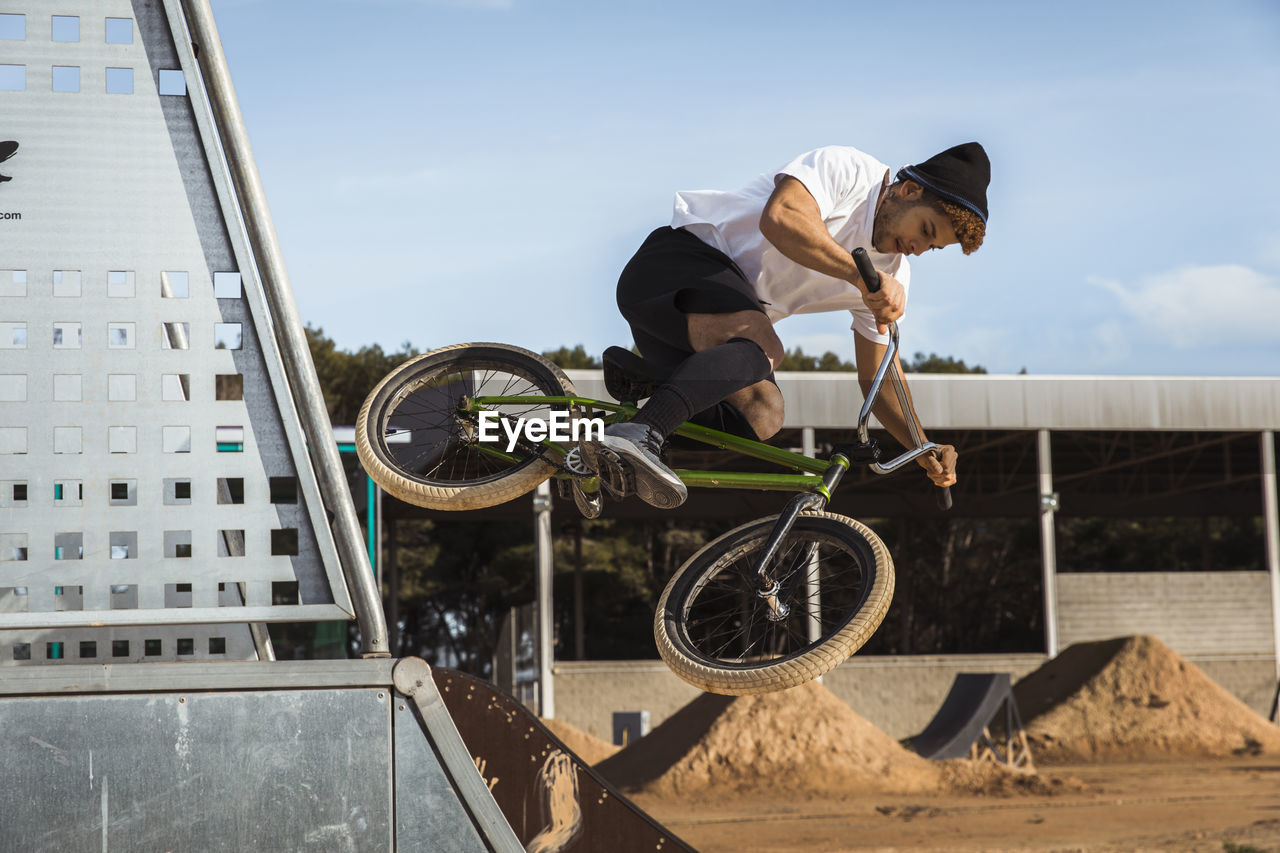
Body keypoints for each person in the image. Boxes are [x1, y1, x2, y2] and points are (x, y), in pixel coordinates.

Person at [592, 142, 990, 508]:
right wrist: (859, 276)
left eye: (932, 248)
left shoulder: (891, 278)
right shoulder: (850, 171)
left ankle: (640, 395)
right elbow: (781, 218)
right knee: (766, 348)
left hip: (693, 339)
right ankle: (641, 434)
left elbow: (880, 379)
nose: (918, 249)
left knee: (764, 414)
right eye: (925, 230)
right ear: (909, 191)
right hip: (673, 266)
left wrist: (921, 447)